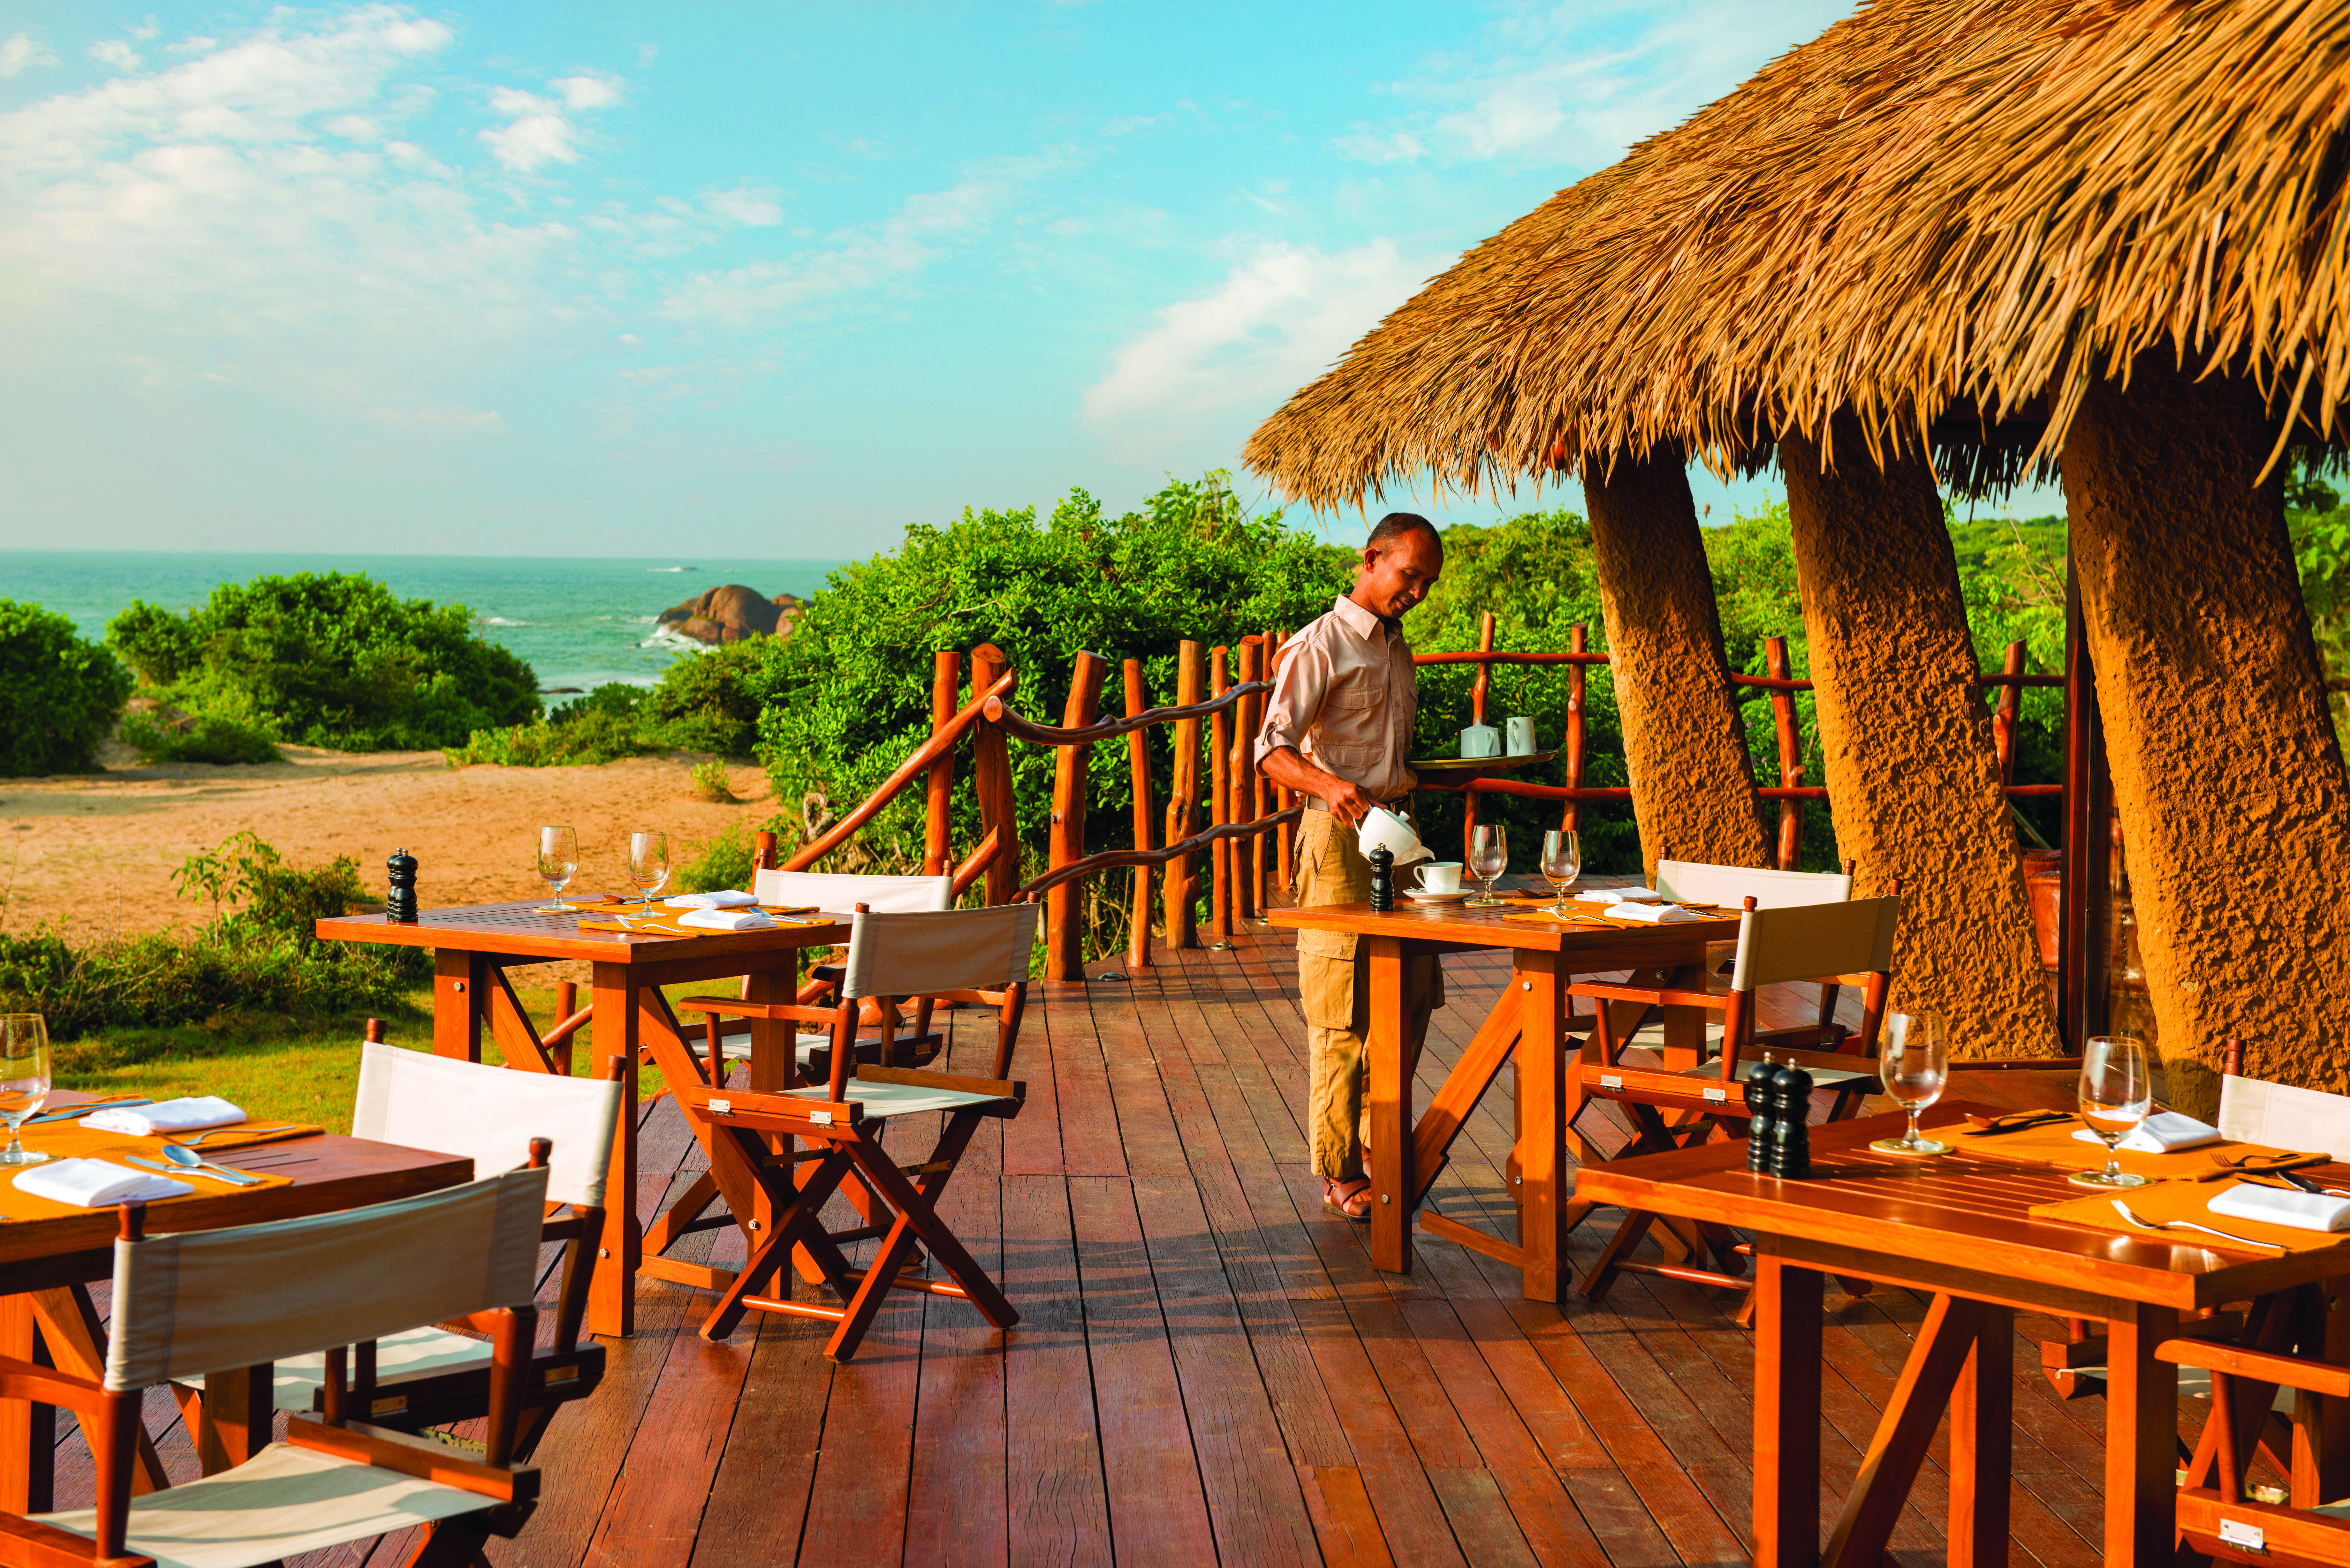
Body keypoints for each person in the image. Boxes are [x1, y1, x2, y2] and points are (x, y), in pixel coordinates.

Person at [1256, 513, 1447, 1221]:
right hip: (1336, 839)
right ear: (1371, 559)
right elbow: (1270, 751)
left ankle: (1377, 1147)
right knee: (1341, 1012)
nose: (1418, 591)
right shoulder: (1320, 643)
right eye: (1409, 575)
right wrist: (1328, 785)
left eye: (1427, 581)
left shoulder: (1397, 647)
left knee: (1412, 997)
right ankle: (1338, 1169)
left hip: (1398, 834)